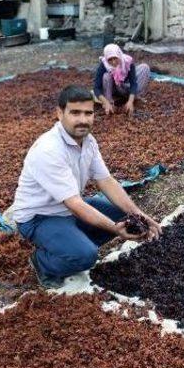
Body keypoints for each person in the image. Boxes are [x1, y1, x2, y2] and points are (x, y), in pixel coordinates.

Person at [12, 85, 162, 287]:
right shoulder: (48, 150)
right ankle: (43, 262)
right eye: (75, 113)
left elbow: (106, 181)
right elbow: (75, 204)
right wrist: (115, 230)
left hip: (70, 208)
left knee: (126, 219)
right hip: (40, 217)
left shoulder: (88, 141)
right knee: (86, 256)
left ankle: (71, 241)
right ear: (59, 113)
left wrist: (138, 214)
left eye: (88, 113)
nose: (83, 120)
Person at [94, 43, 151, 116]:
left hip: (126, 87)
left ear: (119, 55)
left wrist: (130, 101)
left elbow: (133, 83)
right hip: (113, 90)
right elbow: (96, 88)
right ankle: (110, 102)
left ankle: (134, 96)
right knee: (106, 76)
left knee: (144, 68)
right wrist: (106, 102)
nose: (113, 62)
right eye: (110, 60)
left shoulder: (127, 62)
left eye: (115, 58)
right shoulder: (104, 65)